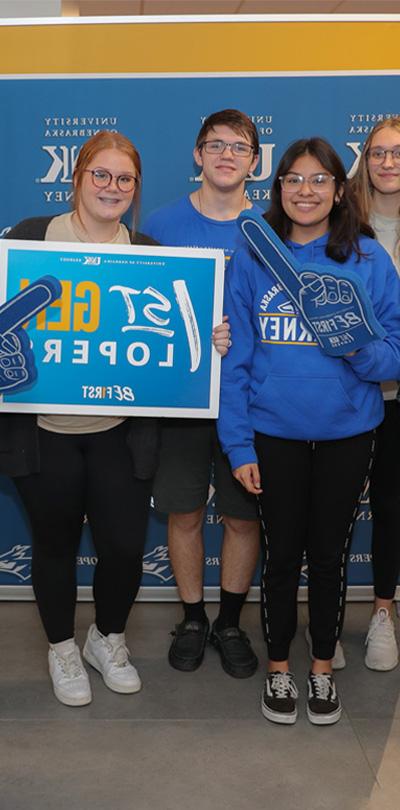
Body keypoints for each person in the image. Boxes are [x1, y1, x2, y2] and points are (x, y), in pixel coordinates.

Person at [217, 137, 400, 725]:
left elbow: (394, 347)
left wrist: (358, 353)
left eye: (319, 180)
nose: (305, 191)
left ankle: (321, 668)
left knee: (329, 556)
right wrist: (239, 443)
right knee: (279, 555)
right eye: (293, 180)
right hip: (273, 432)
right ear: (278, 190)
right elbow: (237, 357)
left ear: (339, 190)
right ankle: (278, 668)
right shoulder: (254, 257)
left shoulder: (369, 259)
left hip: (349, 430)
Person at [1, 131, 160, 707]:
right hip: (43, 435)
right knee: (55, 546)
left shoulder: (149, 253)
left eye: (124, 179)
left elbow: (168, 346)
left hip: (119, 435)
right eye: (101, 174)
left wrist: (204, 348)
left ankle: (106, 638)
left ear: (135, 189)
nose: (111, 187)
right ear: (77, 178)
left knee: (122, 547)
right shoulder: (28, 238)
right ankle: (61, 647)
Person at [143, 109, 261, 678]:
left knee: (243, 518)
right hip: (181, 404)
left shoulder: (269, 233)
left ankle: (231, 620)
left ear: (254, 162)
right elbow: (137, 314)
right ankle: (193, 617)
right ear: (196, 154)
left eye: (239, 146)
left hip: (251, 402)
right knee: (185, 512)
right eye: (215, 144)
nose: (226, 154)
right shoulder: (160, 227)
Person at [351, 116, 400, 671]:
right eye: (378, 153)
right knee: (334, 510)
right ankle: (329, 621)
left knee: (390, 505)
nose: (388, 163)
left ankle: (383, 612)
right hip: (350, 390)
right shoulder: (343, 223)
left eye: (397, 153)